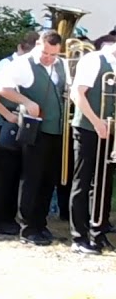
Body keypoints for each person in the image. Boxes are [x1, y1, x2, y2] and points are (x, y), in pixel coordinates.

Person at [0, 29, 66, 245]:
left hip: (56, 129)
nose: (49, 58)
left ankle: (40, 223)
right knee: (32, 178)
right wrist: (26, 102)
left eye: (53, 54)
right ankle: (27, 228)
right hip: (34, 128)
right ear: (37, 45)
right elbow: (2, 88)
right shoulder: (24, 63)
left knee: (48, 179)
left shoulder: (60, 65)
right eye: (45, 53)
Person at [0, 33, 38, 235]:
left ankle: (14, 216)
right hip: (10, 122)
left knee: (21, 172)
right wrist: (8, 115)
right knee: (8, 172)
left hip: (26, 121)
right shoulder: (7, 64)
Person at [67, 34, 115, 254]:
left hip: (109, 130)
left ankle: (98, 233)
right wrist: (97, 123)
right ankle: (79, 236)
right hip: (88, 128)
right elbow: (78, 94)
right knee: (83, 180)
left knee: (104, 184)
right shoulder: (94, 60)